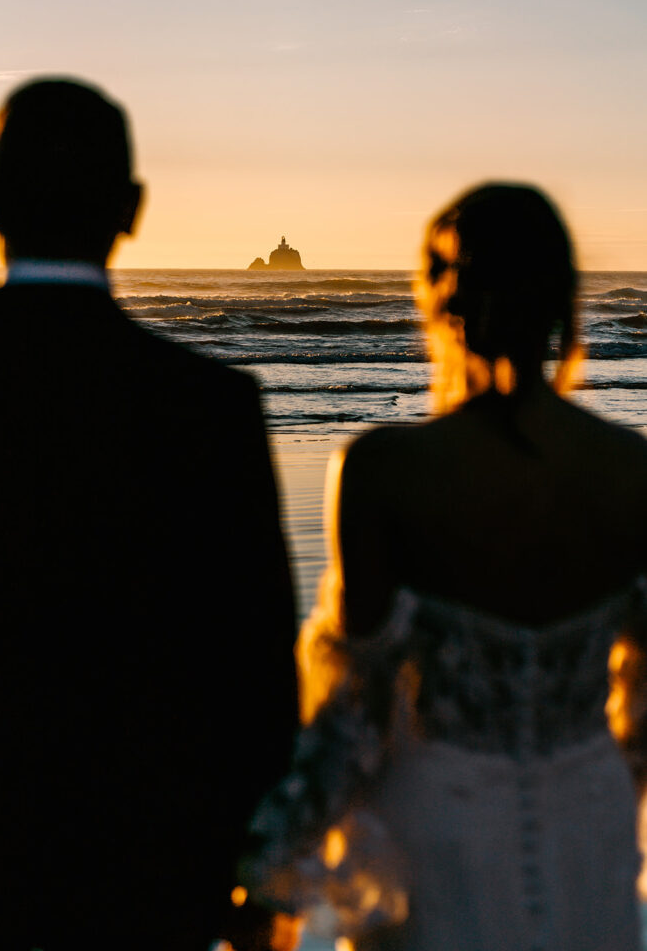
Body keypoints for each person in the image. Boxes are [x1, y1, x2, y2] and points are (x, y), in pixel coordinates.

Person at [0, 78, 298, 950]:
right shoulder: (210, 407)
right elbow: (253, 663)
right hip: (152, 867)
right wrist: (258, 870)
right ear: (132, 209)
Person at [243, 183, 647, 951]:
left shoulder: (384, 471)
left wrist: (266, 864)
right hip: (589, 817)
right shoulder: (631, 469)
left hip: (443, 824)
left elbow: (354, 720)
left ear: (440, 302)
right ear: (561, 302)